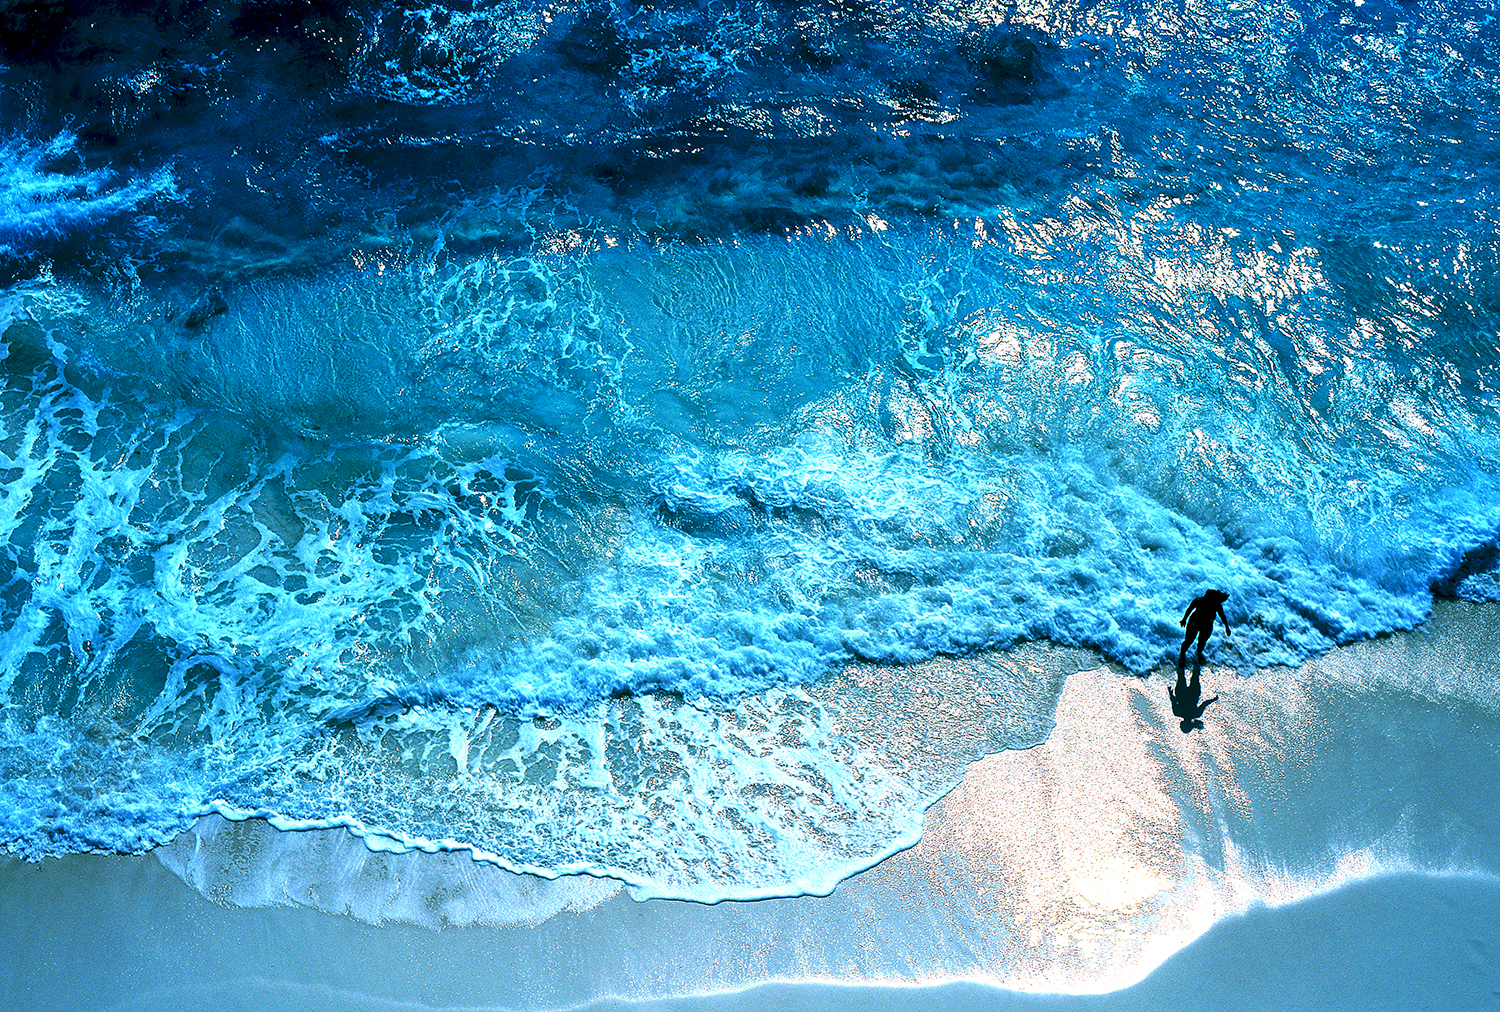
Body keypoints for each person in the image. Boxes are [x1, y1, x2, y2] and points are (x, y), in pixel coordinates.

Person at [1179, 589, 1230, 670]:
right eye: (1205, 596)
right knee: (1189, 641)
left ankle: (1198, 654)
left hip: (1207, 625)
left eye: (1208, 597)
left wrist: (1227, 627)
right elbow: (1189, 609)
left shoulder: (1217, 605)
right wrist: (1184, 619)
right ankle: (1182, 655)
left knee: (1202, 642)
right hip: (1194, 623)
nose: (1205, 598)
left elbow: (1222, 616)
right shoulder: (1198, 601)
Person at [1170, 661, 1218, 734]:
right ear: (1182, 724)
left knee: (1195, 675)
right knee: (1181, 674)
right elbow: (1173, 700)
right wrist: (1170, 692)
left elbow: (1204, 704)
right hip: (1181, 694)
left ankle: (1196, 657)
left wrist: (1214, 699)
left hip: (1193, 694)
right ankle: (1182, 656)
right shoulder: (1177, 712)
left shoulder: (1196, 714)